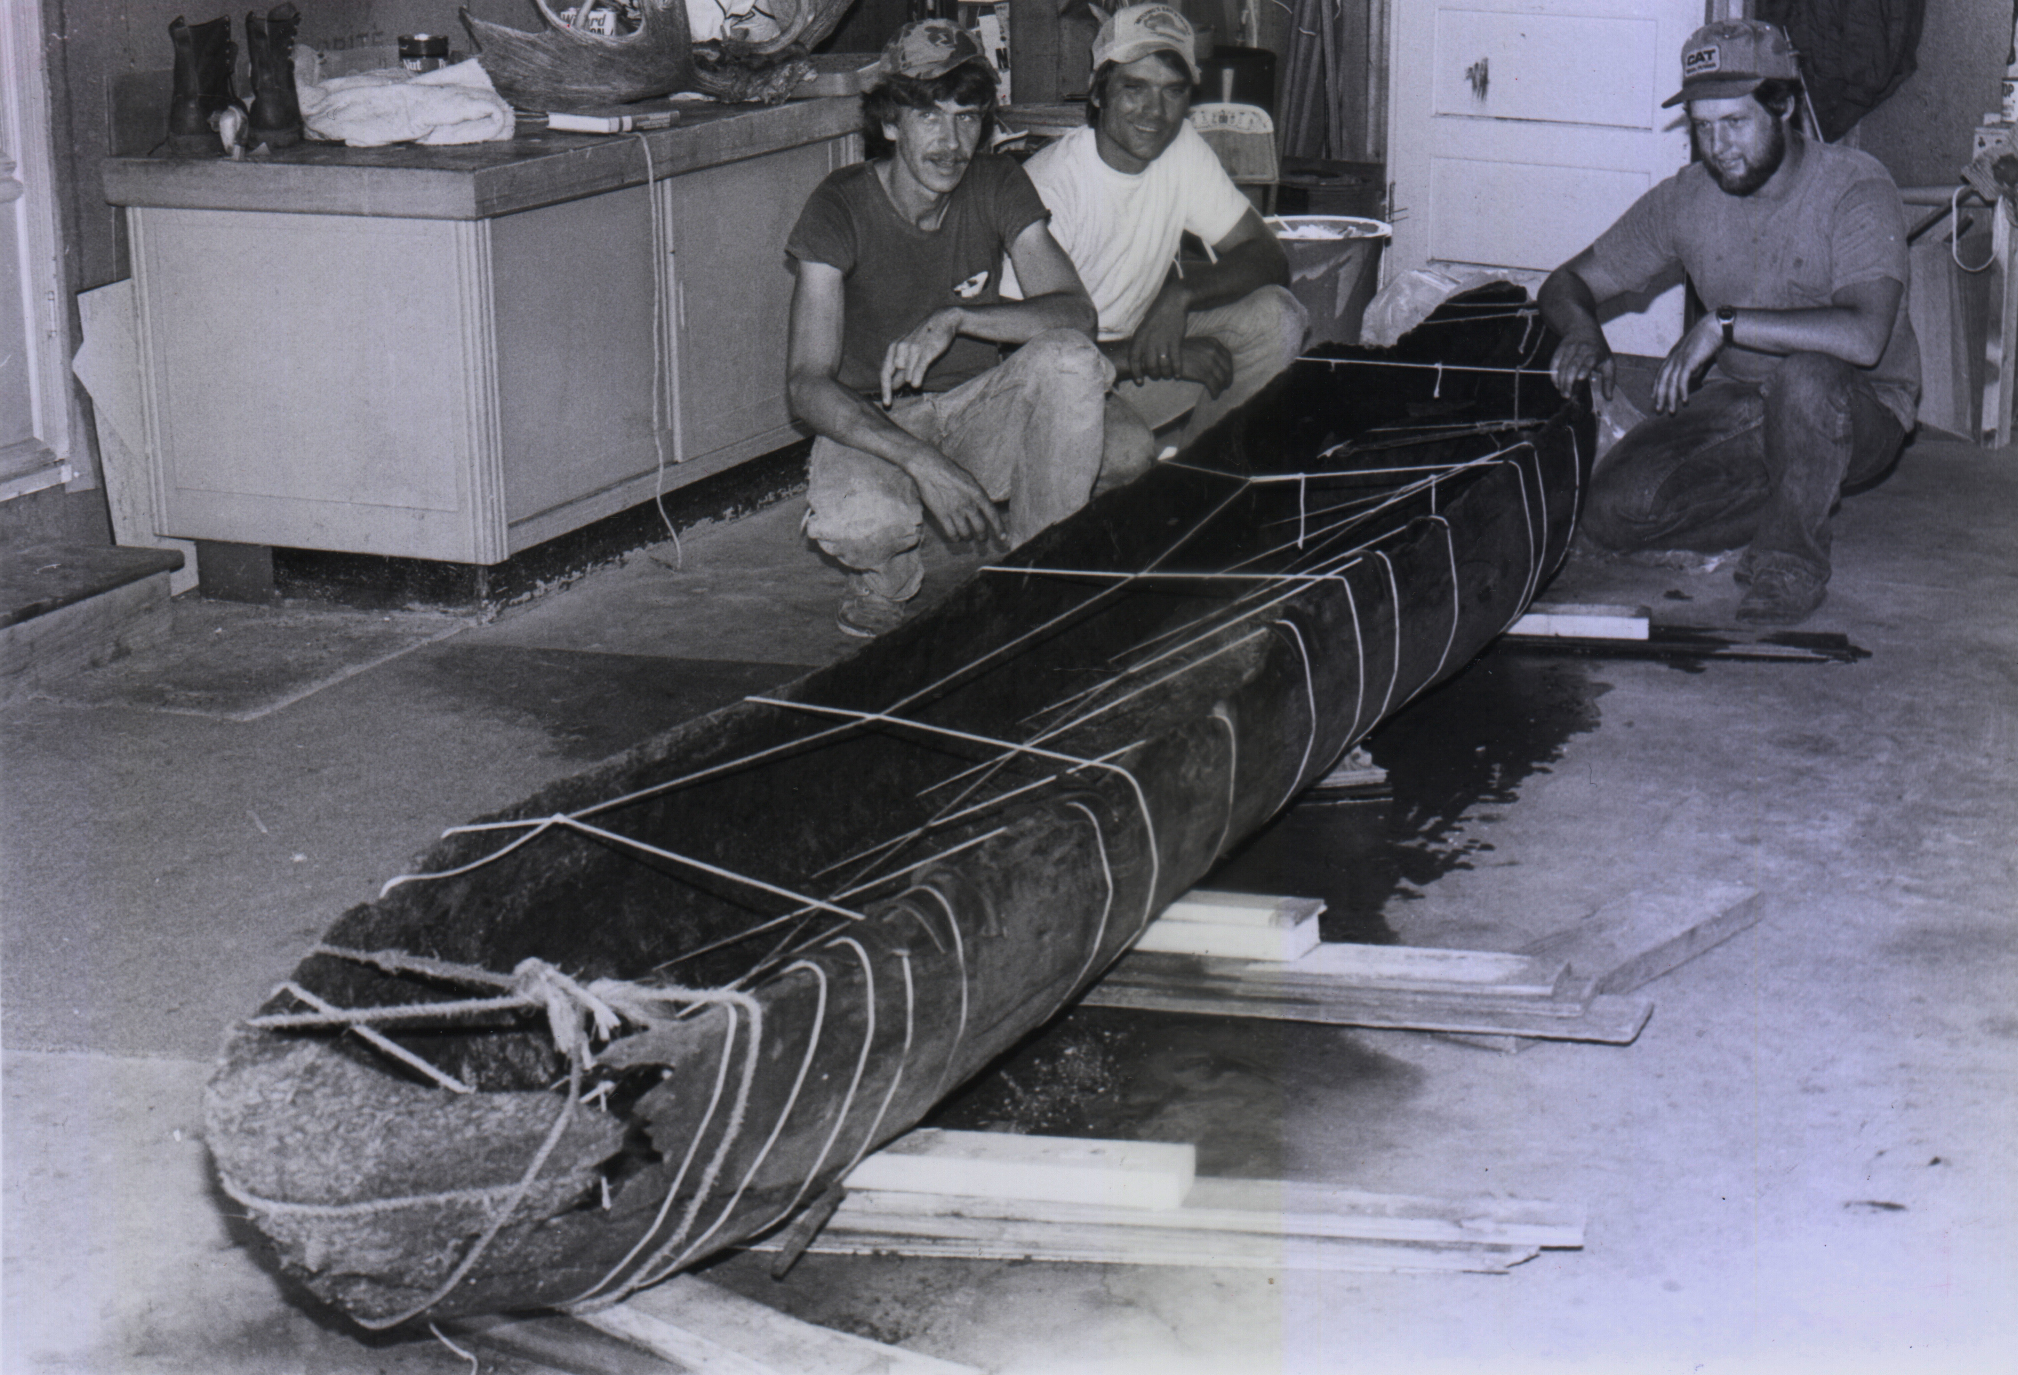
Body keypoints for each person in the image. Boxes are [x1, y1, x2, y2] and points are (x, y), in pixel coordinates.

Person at [1540, 18, 1919, 627]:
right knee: (1610, 513)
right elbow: (1565, 282)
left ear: (1784, 107)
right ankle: (1788, 497)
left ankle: (1789, 563)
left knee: (1807, 378)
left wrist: (1724, 323)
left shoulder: (1855, 185)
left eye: (1735, 122)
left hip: (1859, 404)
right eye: (1703, 126)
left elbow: (1865, 336)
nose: (1718, 147)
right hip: (1742, 399)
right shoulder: (1685, 198)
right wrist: (1584, 329)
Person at [787, 20, 1108, 637]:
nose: (951, 141)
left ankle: (1038, 575)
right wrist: (924, 462)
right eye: (929, 116)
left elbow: (1077, 313)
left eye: (967, 118)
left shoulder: (997, 181)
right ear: (890, 124)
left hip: (975, 408)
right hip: (878, 422)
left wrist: (958, 317)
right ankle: (884, 578)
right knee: (861, 526)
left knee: (1071, 359)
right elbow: (806, 383)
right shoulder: (838, 204)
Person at [1009, 3, 1307, 481]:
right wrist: (1145, 355)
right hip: (1050, 387)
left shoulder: (1181, 147)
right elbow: (1016, 357)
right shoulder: (1049, 186)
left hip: (1132, 356)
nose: (1155, 112)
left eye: (1173, 91)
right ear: (1098, 92)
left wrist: (1180, 295)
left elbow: (1268, 254)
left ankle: (1196, 487)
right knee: (1126, 452)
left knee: (1279, 317)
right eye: (1135, 88)